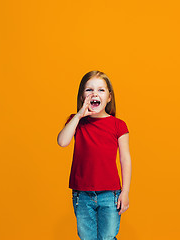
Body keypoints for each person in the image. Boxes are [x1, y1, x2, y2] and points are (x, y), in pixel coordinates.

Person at [57, 70, 132, 240]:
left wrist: (125, 192)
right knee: (87, 237)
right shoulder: (76, 121)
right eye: (89, 90)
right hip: (82, 194)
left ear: (109, 97)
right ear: (82, 96)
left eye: (101, 90)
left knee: (107, 237)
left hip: (110, 193)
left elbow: (125, 159)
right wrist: (79, 115)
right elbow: (62, 141)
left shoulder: (118, 125)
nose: (94, 94)